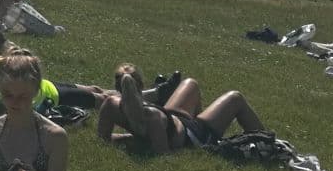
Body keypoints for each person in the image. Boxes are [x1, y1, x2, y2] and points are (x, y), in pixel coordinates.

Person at [96, 64, 264, 154]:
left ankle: (194, 114)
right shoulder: (153, 118)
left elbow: (103, 139)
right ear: (141, 87)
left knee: (190, 84)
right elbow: (164, 157)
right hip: (194, 135)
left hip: (174, 118)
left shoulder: (110, 105)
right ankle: (267, 143)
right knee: (236, 98)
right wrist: (137, 140)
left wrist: (130, 138)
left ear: (117, 88)